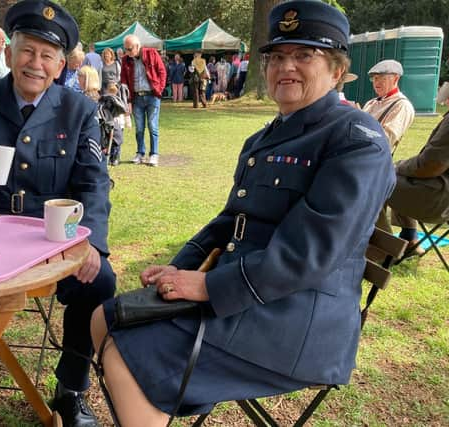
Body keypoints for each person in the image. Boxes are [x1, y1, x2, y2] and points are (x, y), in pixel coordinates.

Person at [90, 2, 395, 426]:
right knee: (103, 318)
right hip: (244, 299)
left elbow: (308, 255)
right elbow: (229, 221)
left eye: (304, 55)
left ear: (337, 71)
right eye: (276, 56)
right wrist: (180, 269)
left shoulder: (357, 140)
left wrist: (209, 286)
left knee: (126, 351)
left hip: (297, 322)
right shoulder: (264, 137)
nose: (286, 67)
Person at [0, 1, 116, 426]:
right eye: (27, 50)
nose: (35, 63)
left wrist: (94, 242)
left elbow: (94, 184)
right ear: (9, 52)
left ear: (59, 65)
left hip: (49, 233)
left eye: (46, 55)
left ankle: (70, 391)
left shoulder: (79, 110)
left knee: (100, 279)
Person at [377, 93, 449, 255]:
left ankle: (382, 250)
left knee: (374, 180)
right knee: (397, 178)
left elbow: (430, 166)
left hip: (440, 199)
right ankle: (409, 238)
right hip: (440, 192)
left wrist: (396, 166)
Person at [121, 34, 166, 166]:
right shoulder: (125, 60)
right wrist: (128, 100)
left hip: (152, 95)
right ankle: (140, 153)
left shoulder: (151, 53)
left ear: (137, 46)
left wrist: (159, 90)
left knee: (153, 126)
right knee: (139, 128)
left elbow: (162, 71)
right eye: (125, 49)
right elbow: (123, 80)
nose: (127, 52)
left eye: (129, 49)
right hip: (136, 98)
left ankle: (154, 154)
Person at [362, 59, 414, 154]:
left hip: (374, 161)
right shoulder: (371, 103)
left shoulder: (402, 105)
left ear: (395, 79)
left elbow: (386, 140)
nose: (376, 82)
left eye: (382, 78)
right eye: (374, 78)